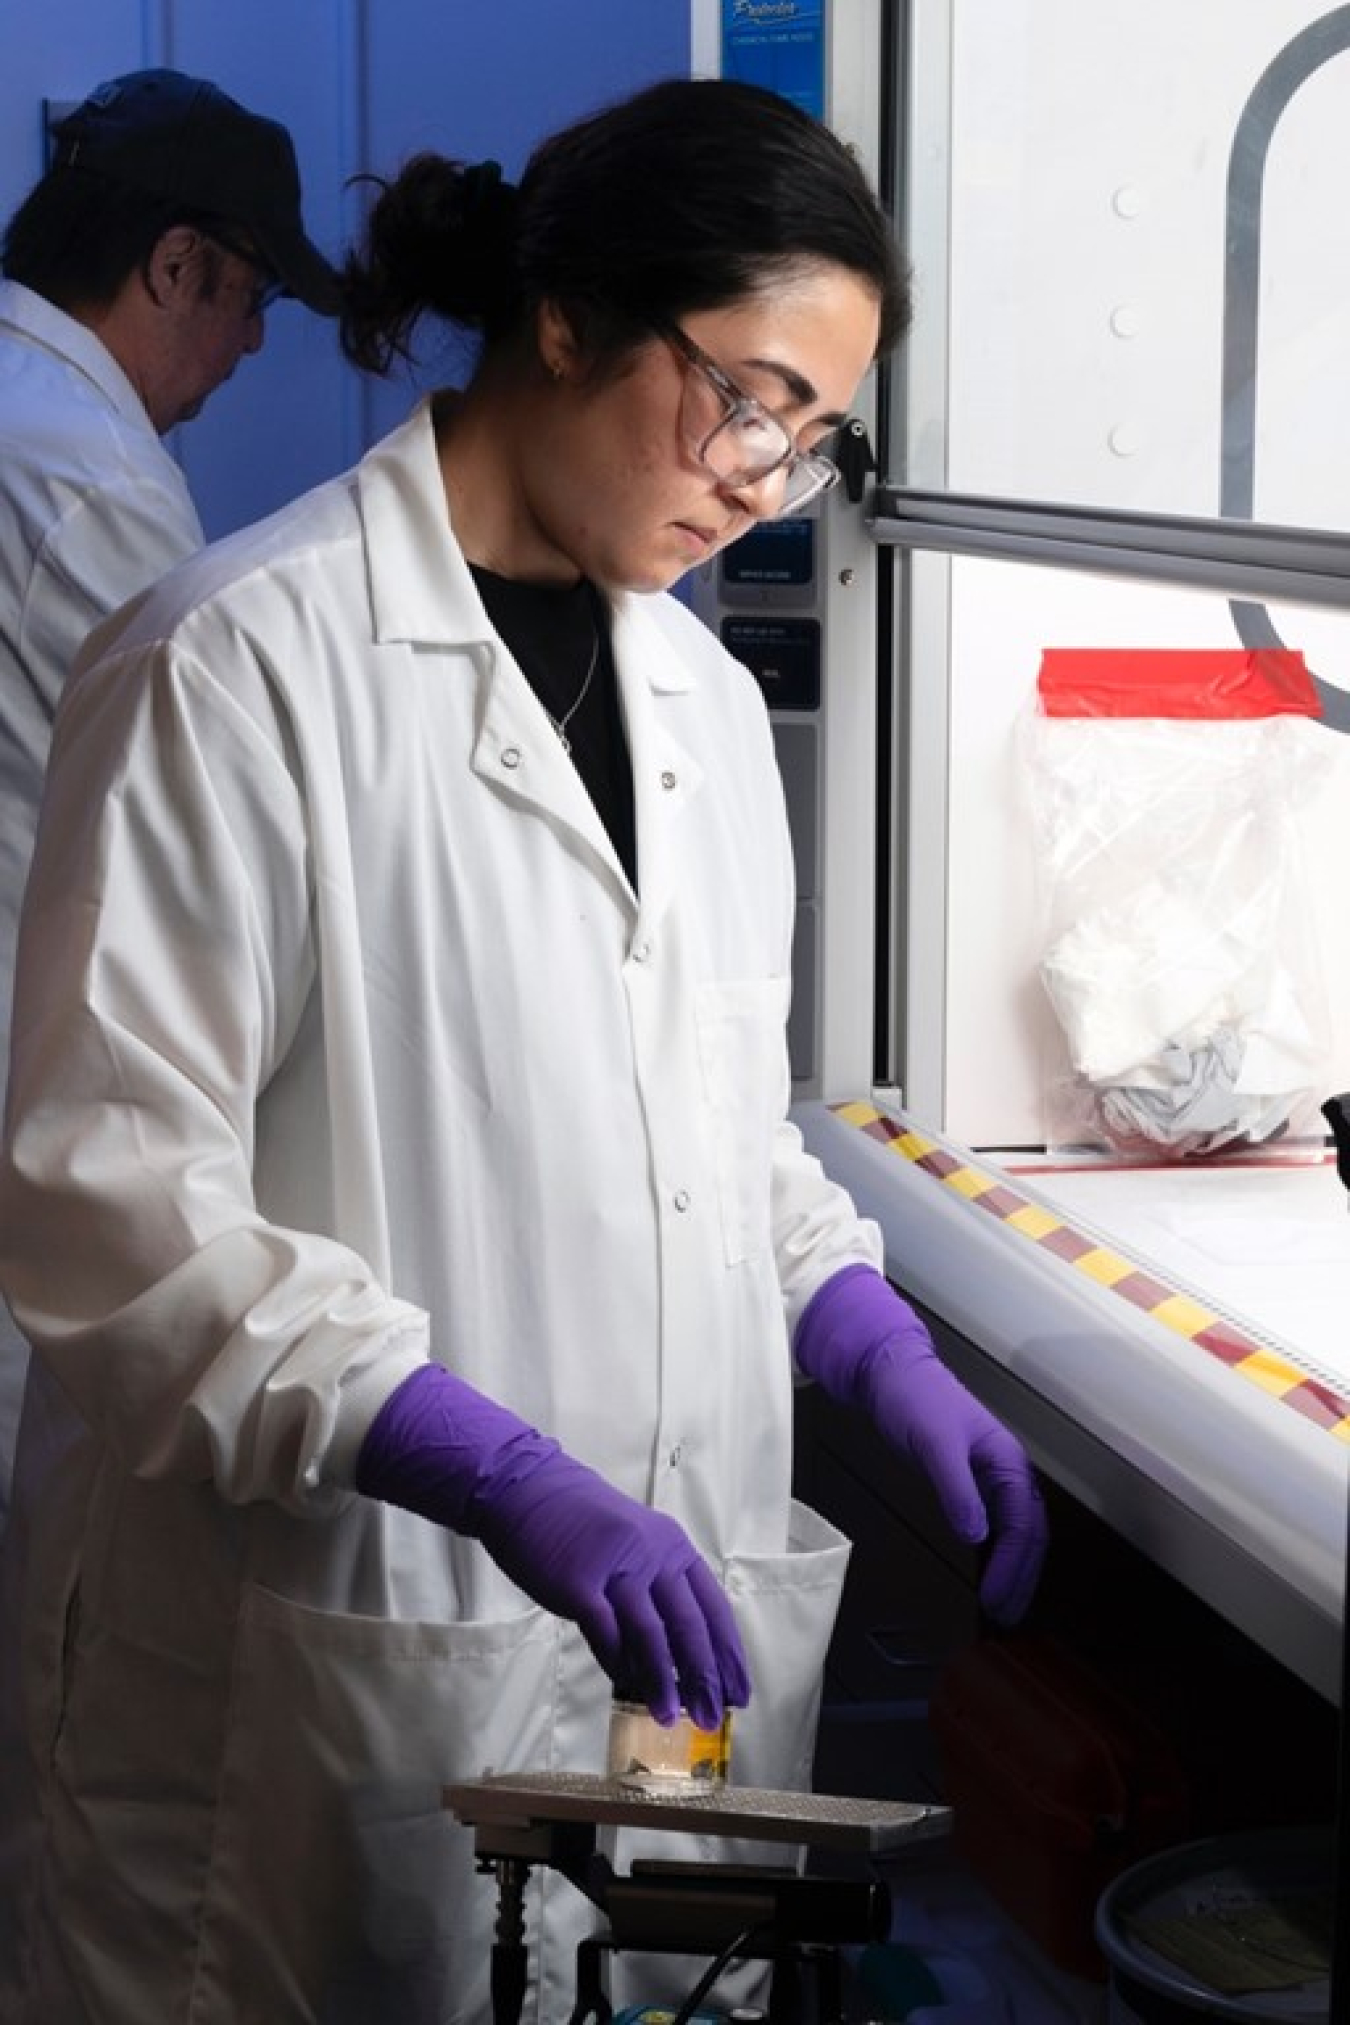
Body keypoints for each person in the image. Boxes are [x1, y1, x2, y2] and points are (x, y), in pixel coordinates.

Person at [0, 76, 1047, 2025]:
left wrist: (867, 1337)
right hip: (325, 1668)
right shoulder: (235, 662)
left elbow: (722, 1143)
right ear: (566, 320)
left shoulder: (708, 710)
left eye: (813, 439)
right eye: (746, 397)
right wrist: (485, 1463)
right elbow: (107, 1204)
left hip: (656, 1708)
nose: (763, 474)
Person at [0, 66, 339, 1524]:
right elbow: (206, 789)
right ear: (176, 262)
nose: (254, 342)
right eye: (250, 298)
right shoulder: (81, 473)